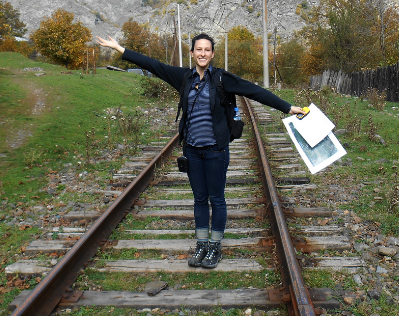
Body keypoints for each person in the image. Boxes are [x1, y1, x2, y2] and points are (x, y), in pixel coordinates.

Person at [96, 33, 302, 269]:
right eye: (198, 49)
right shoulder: (183, 77)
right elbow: (152, 64)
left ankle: (215, 247)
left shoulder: (222, 78)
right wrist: (120, 49)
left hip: (215, 151)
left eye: (207, 50)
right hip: (193, 151)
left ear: (212, 54)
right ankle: (202, 243)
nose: (203, 53)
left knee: (217, 198)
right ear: (192, 53)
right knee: (200, 199)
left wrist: (288, 108)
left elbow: (254, 91)